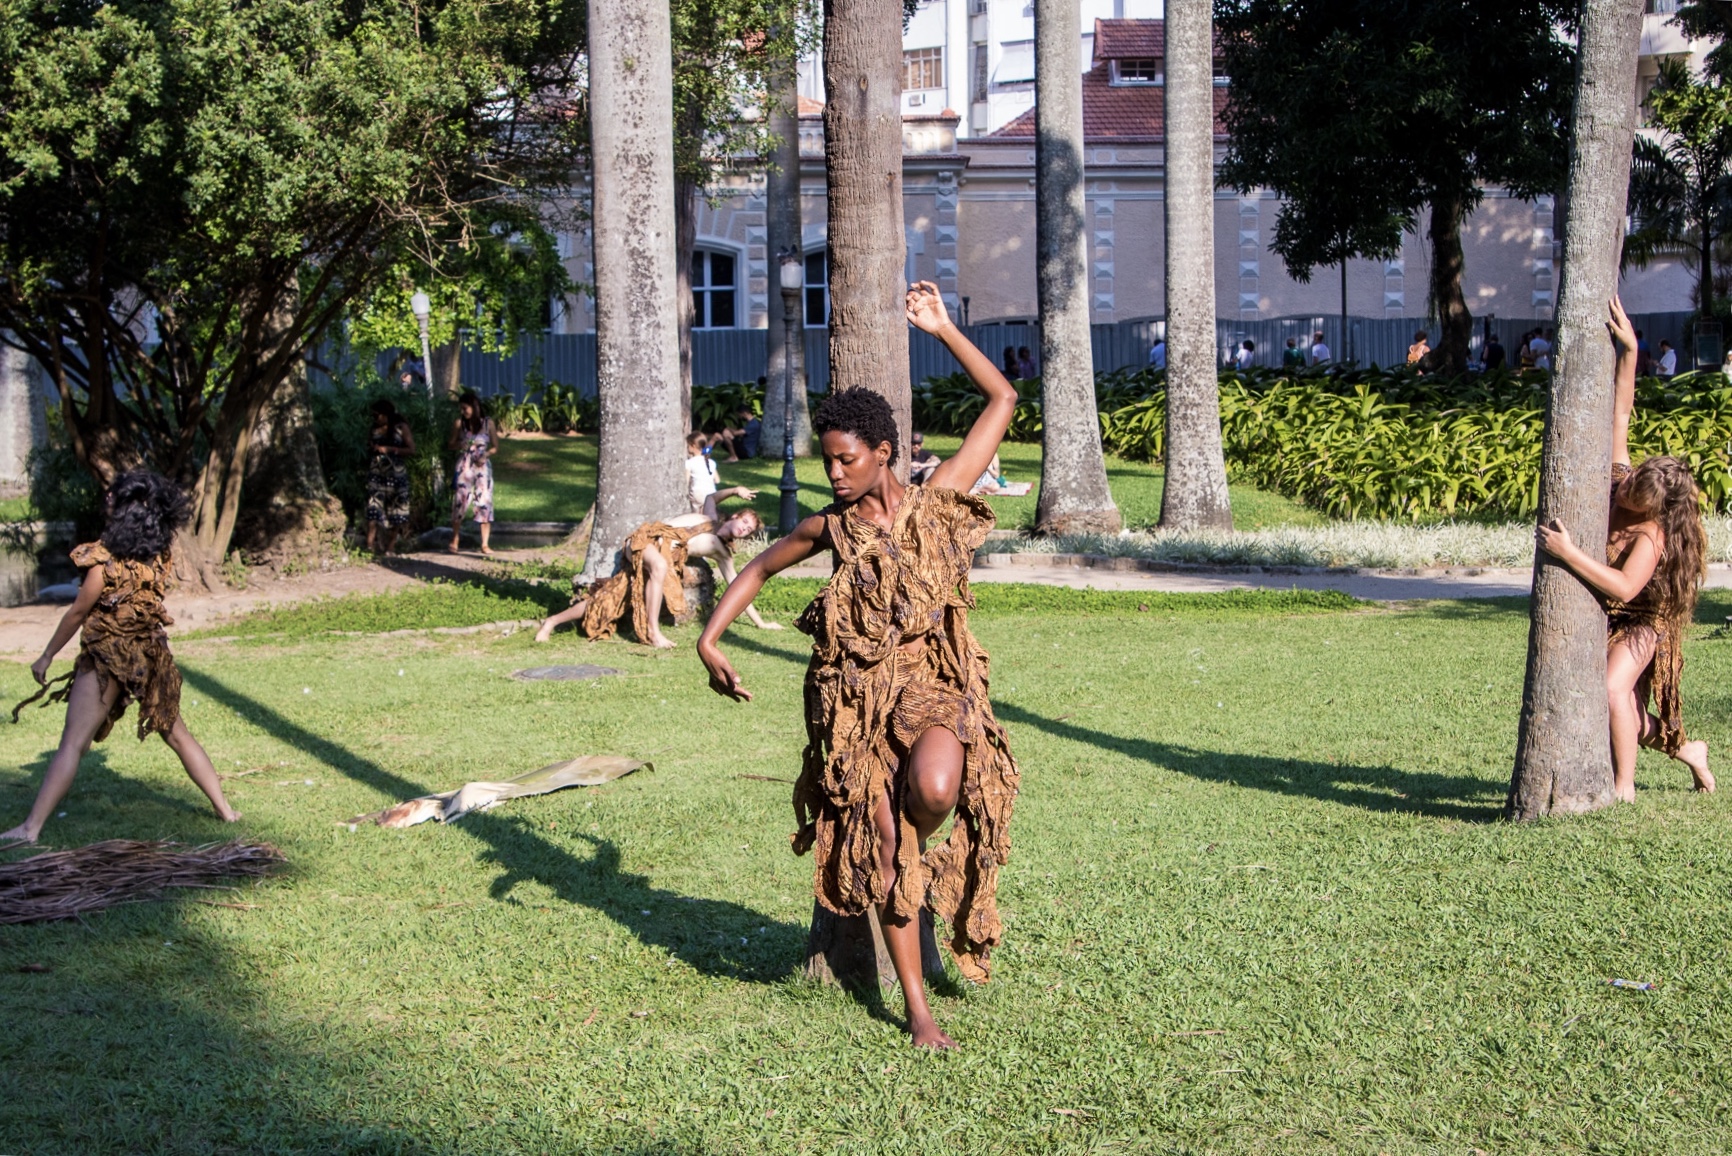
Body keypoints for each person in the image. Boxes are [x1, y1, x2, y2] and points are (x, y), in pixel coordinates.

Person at [698, 281, 1020, 1050]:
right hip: (854, 707)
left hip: (933, 686)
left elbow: (1003, 400)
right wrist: (711, 639)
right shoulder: (828, 528)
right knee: (885, 846)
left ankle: (919, 880)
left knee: (937, 790)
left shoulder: (936, 501)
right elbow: (757, 571)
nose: (834, 473)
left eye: (847, 460)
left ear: (884, 453)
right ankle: (916, 1009)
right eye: (827, 460)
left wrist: (942, 326)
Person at [3, 472, 242, 844]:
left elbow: (76, 614)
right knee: (177, 735)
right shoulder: (159, 558)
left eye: (114, 495)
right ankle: (226, 810)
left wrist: (46, 656)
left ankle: (30, 829)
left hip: (107, 658)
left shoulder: (103, 565)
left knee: (73, 743)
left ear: (126, 511)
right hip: (149, 655)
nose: (108, 496)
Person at [1536, 298, 1712, 801]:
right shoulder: (1620, 478)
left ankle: (1625, 786)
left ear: (1653, 508)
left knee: (1613, 693)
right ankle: (1689, 751)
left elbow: (1626, 584)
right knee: (1625, 716)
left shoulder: (1652, 534)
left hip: (1643, 620)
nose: (1625, 487)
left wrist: (1568, 553)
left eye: (1635, 493)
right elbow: (1621, 410)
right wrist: (1630, 349)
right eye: (1631, 479)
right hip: (1610, 613)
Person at [534, 508, 777, 647]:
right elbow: (714, 497)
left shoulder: (723, 553)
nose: (744, 528)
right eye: (744, 521)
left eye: (749, 529)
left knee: (609, 599)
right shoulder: (708, 518)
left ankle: (551, 622)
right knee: (660, 566)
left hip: (654, 558)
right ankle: (653, 632)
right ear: (735, 516)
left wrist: (761, 623)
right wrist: (737, 490)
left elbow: (739, 587)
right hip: (646, 540)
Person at [449, 390, 497, 555]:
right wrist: (460, 446)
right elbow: (450, 444)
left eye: (465, 408)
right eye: (461, 409)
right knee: (460, 500)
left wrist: (486, 455)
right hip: (465, 465)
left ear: (473, 406)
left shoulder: (487, 423)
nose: (463, 412)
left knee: (484, 501)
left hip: (482, 467)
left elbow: (495, 447)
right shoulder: (459, 424)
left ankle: (485, 543)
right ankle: (455, 539)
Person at [365, 399, 415, 555]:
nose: (374, 418)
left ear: (385, 414)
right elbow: (368, 445)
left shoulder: (401, 428)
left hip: (396, 473)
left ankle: (391, 547)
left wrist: (391, 449)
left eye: (376, 415)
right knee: (373, 508)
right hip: (377, 472)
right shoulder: (374, 429)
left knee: (397, 512)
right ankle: (369, 545)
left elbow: (411, 449)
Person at [685, 431, 757, 519]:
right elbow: (717, 480)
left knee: (696, 517)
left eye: (688, 445)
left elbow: (686, 481)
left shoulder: (689, 463)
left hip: (697, 494)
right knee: (708, 517)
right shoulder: (711, 462)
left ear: (693, 446)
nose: (687, 448)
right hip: (712, 494)